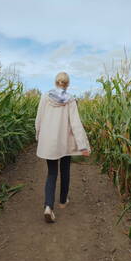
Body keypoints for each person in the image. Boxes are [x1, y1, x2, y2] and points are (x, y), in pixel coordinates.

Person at [34, 72, 91, 223]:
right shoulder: (70, 100)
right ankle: (63, 200)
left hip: (49, 141)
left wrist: (38, 134)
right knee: (65, 170)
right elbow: (76, 123)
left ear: (56, 82)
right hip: (64, 141)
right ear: (67, 84)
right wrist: (83, 145)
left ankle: (48, 207)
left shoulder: (45, 97)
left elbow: (38, 118)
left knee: (52, 173)